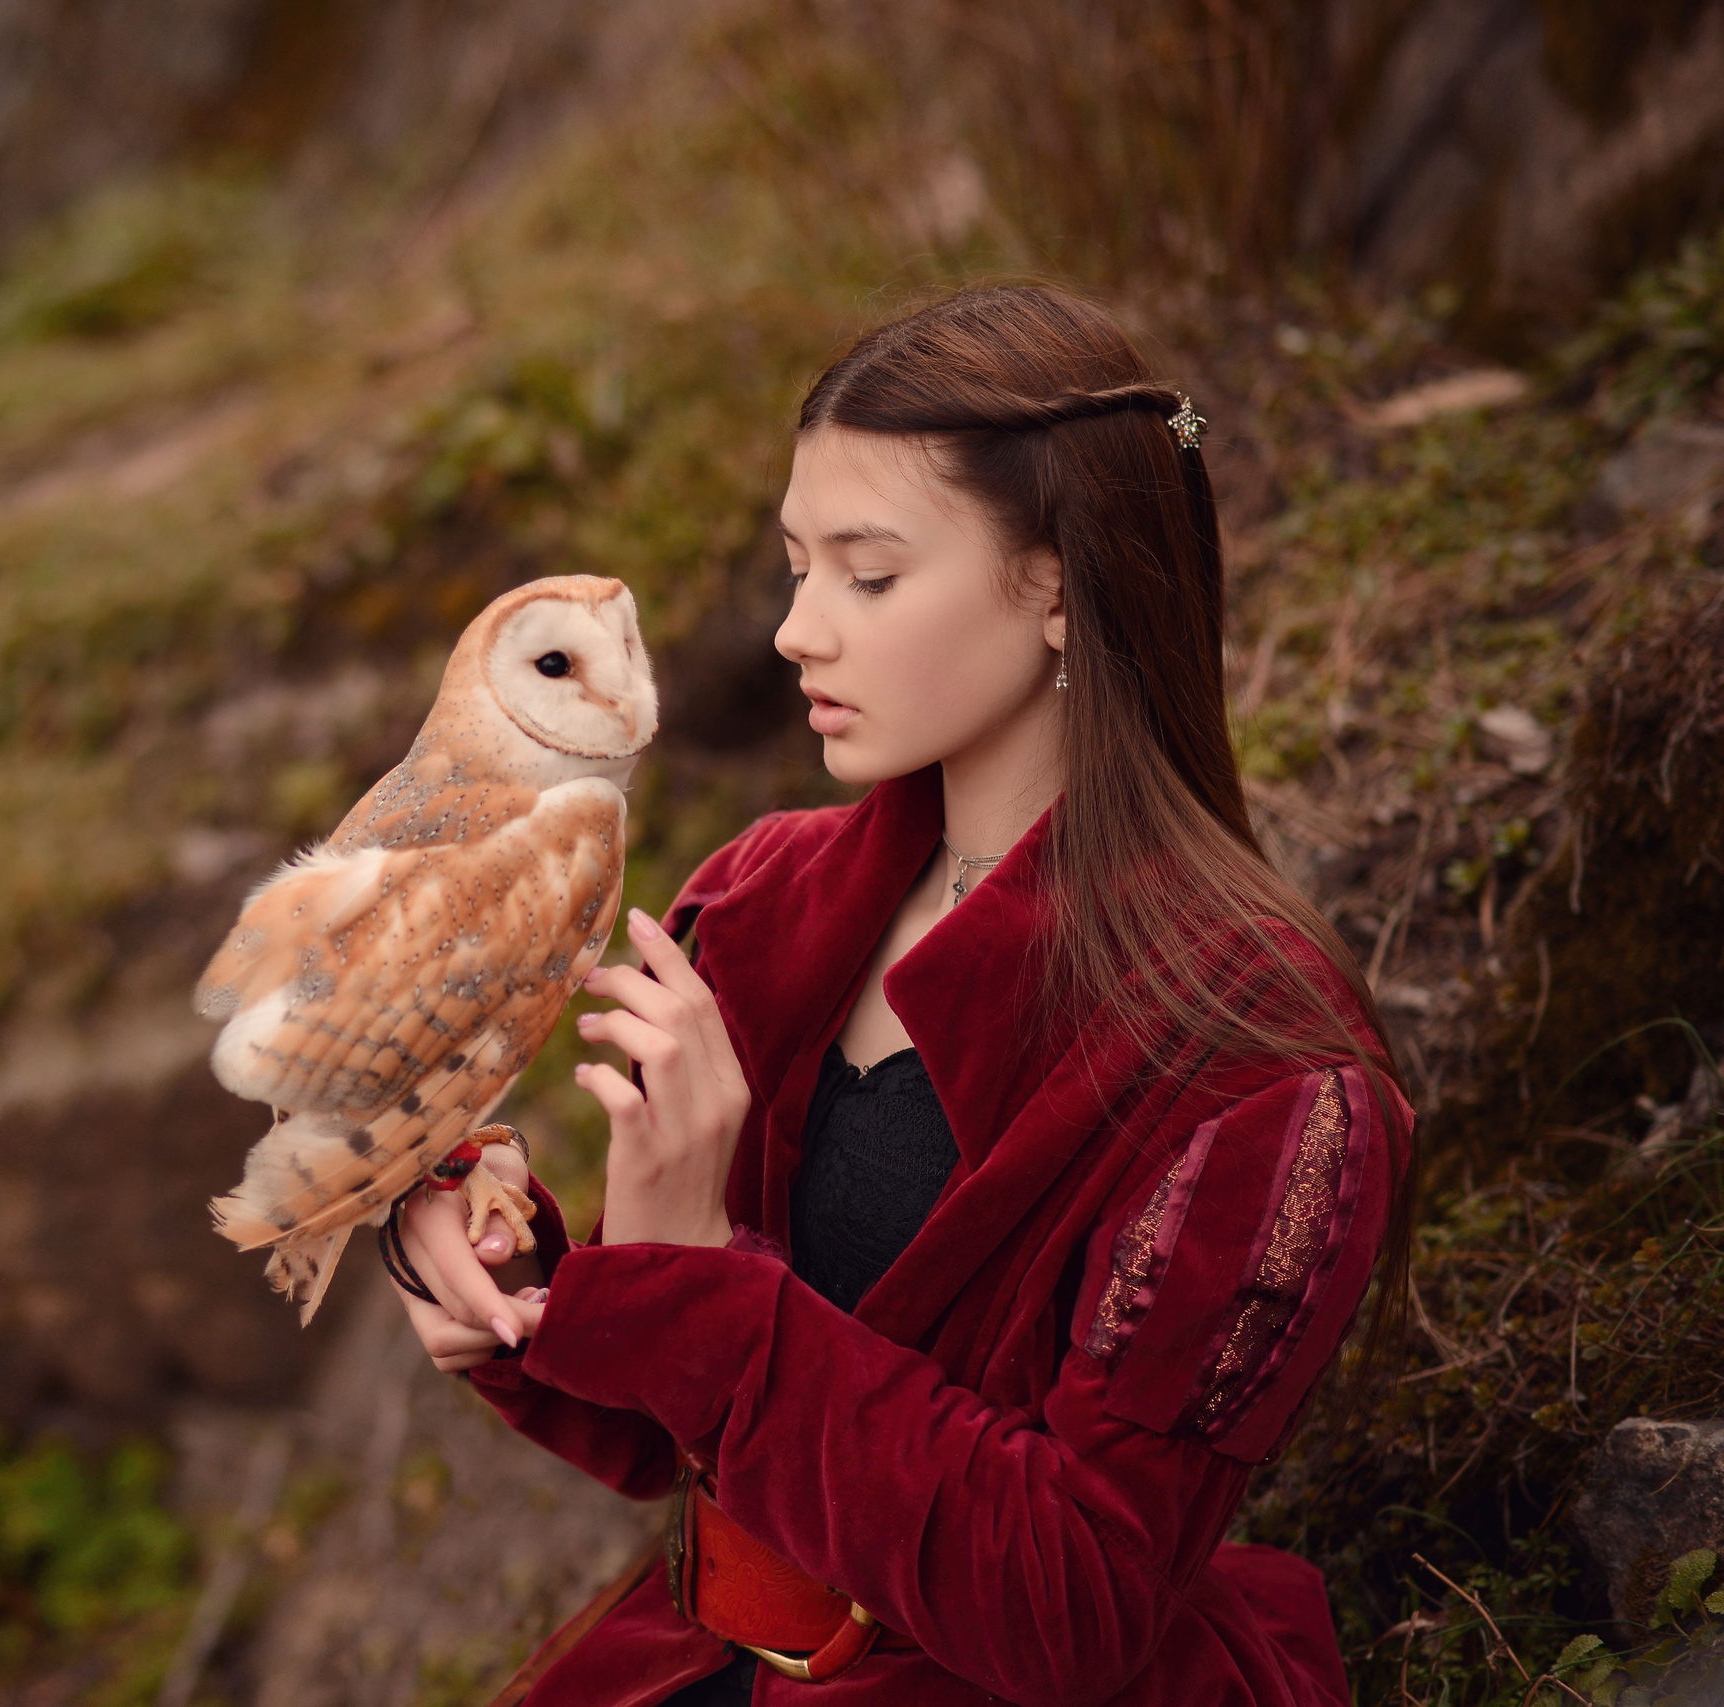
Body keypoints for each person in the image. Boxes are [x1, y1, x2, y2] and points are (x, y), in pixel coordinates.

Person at [381, 284, 1415, 1706]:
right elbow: (660, 1431)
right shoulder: (765, 901)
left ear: (1059, 580)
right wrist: (514, 1279)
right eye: (796, 568)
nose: (800, 631)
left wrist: (701, 1283)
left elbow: (1075, 1609)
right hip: (712, 1657)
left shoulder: (1264, 1071)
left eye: (867, 576)